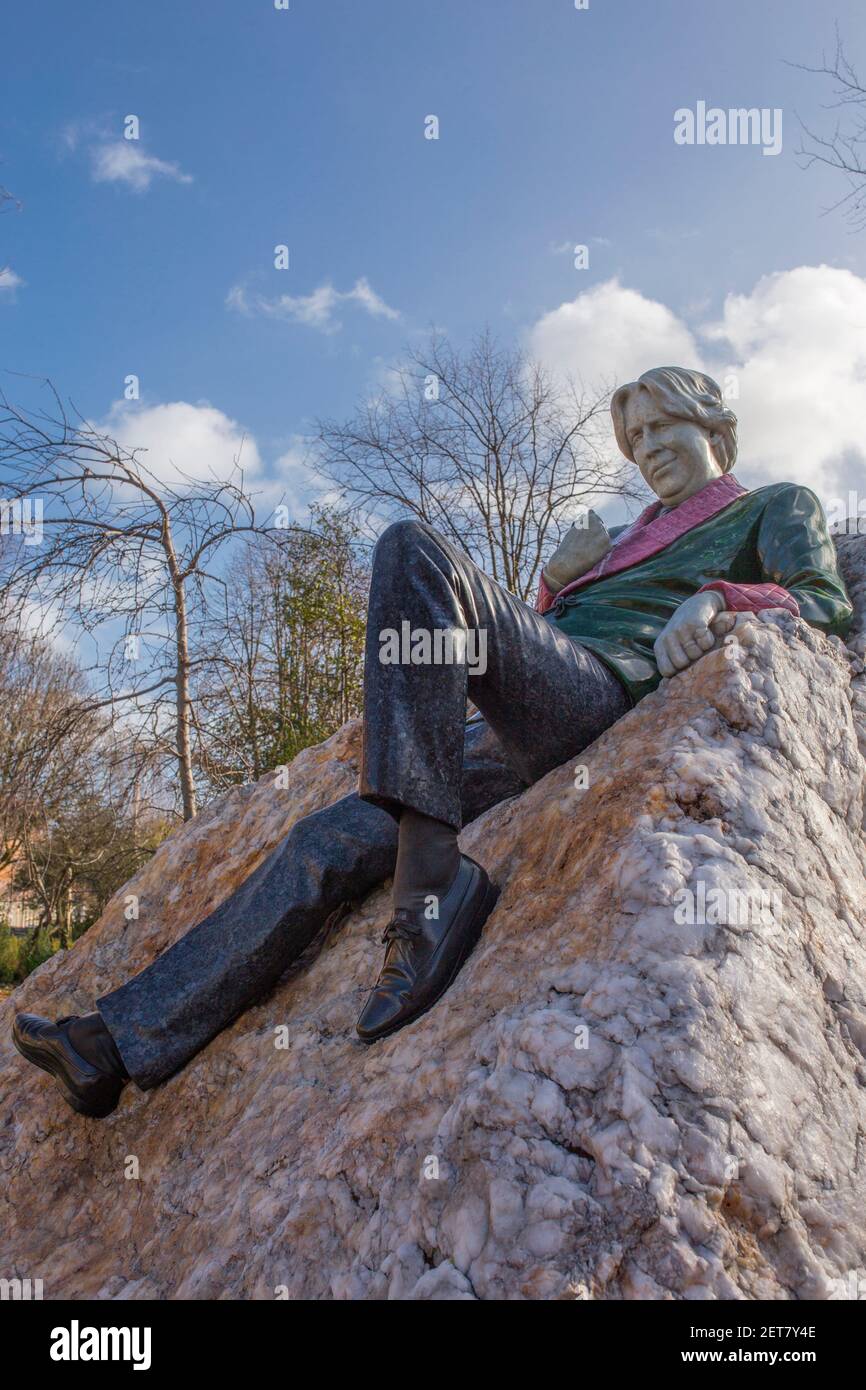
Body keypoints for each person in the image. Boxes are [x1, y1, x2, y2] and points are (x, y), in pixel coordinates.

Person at [13, 366, 853, 1118]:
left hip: (604, 698)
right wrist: (557, 581)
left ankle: (430, 892)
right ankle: (114, 1044)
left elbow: (823, 602)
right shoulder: (618, 543)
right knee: (321, 842)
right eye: (635, 440)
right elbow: (530, 638)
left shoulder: (773, 506)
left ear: (716, 430)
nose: (647, 451)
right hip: (513, 724)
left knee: (415, 550)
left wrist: (718, 599)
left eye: (664, 428)